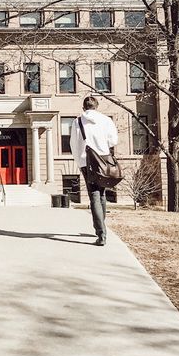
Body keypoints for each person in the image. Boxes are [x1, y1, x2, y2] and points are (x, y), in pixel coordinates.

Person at [70, 95, 119, 246]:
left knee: (94, 195)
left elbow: (73, 145)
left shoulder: (78, 121)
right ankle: (101, 228)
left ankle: (101, 233)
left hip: (87, 161)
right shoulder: (106, 120)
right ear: (96, 106)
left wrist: (80, 162)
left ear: (83, 107)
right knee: (102, 193)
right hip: (104, 160)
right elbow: (113, 141)